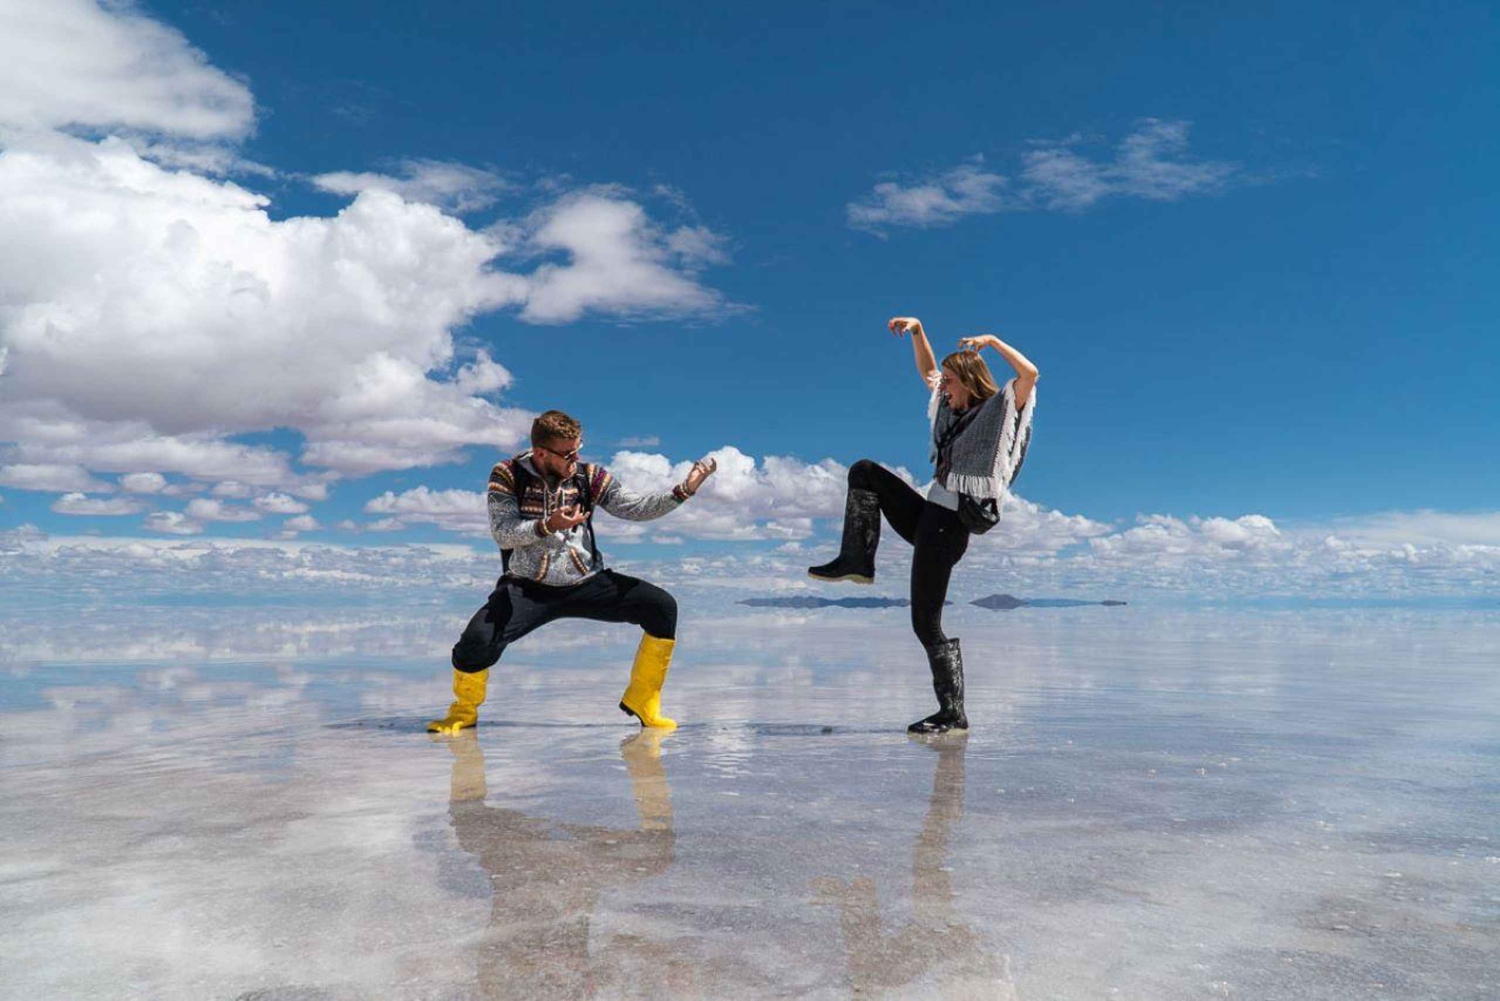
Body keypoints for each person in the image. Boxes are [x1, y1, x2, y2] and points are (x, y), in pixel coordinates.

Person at [808, 316, 1037, 734]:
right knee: (864, 471)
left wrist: (993, 340)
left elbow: (1029, 374)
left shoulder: (996, 409)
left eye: (949, 381)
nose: (942, 387)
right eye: (944, 381)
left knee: (924, 623)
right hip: (928, 517)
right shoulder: (949, 412)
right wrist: (917, 331)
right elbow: (927, 370)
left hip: (948, 529)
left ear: (968, 379)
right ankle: (856, 560)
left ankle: (953, 712)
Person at [428, 410, 717, 734]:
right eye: (568, 454)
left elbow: (635, 508)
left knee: (661, 607)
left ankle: (643, 699)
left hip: (587, 581)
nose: (575, 458)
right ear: (541, 453)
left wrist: (683, 490)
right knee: (475, 643)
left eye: (578, 449)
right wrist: (547, 525)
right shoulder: (507, 474)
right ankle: (463, 711)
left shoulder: (589, 476)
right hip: (528, 587)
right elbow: (503, 532)